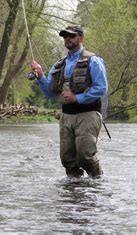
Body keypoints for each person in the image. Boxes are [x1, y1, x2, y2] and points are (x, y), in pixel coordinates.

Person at [31, 26, 108, 178]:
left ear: (81, 38)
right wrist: (40, 76)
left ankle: (98, 181)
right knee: (67, 160)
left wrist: (77, 98)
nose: (67, 39)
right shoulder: (58, 65)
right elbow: (51, 93)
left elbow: (101, 88)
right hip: (66, 117)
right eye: (65, 37)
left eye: (71, 36)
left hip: (88, 115)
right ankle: (73, 191)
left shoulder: (94, 61)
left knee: (85, 156)